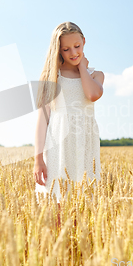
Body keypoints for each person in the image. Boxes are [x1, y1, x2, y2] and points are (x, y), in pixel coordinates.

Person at [33, 21, 105, 228]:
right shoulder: (51, 78)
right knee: (57, 202)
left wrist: (82, 67)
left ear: (84, 42)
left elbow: (92, 94)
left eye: (77, 46)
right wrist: (38, 159)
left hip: (85, 143)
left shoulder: (95, 75)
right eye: (66, 49)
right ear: (59, 50)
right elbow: (42, 119)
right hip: (58, 144)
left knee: (83, 200)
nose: (73, 52)